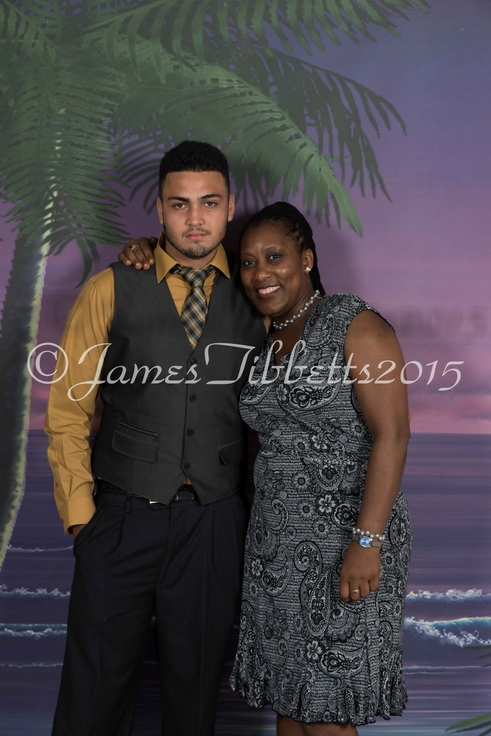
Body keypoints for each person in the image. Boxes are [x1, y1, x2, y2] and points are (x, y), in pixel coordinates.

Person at [121, 201, 412, 736]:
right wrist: (145, 247)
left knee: (326, 709)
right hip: (274, 548)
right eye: (249, 262)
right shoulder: (263, 336)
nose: (260, 273)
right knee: (290, 701)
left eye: (275, 257)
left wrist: (367, 542)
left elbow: (392, 435)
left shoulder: (355, 324)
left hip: (344, 540)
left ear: (307, 259)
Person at [44, 140, 266, 736]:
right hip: (121, 518)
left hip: (214, 523)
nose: (195, 219)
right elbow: (67, 411)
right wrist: (82, 520)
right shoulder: (110, 287)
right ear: (160, 208)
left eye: (209, 203)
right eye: (179, 204)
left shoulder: (259, 293)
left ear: (230, 207)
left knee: (194, 706)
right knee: (92, 703)